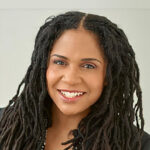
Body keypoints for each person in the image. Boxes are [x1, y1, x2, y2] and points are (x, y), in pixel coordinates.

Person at [0, 11, 150, 150]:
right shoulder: (5, 127)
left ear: (109, 75)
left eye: (88, 66)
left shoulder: (138, 145)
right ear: (42, 67)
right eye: (60, 62)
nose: (71, 79)